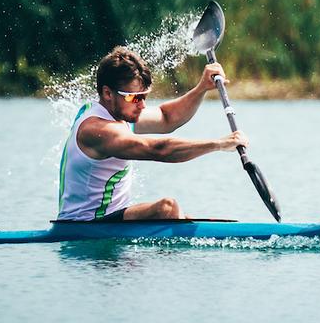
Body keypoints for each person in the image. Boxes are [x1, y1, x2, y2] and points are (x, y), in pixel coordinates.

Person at [58, 46, 248, 221]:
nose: (142, 105)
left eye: (145, 96)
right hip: (84, 224)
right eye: (135, 98)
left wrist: (201, 88)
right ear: (108, 93)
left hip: (110, 219)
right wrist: (218, 144)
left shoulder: (118, 112)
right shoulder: (97, 130)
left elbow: (167, 118)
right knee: (168, 208)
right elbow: (158, 150)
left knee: (185, 216)